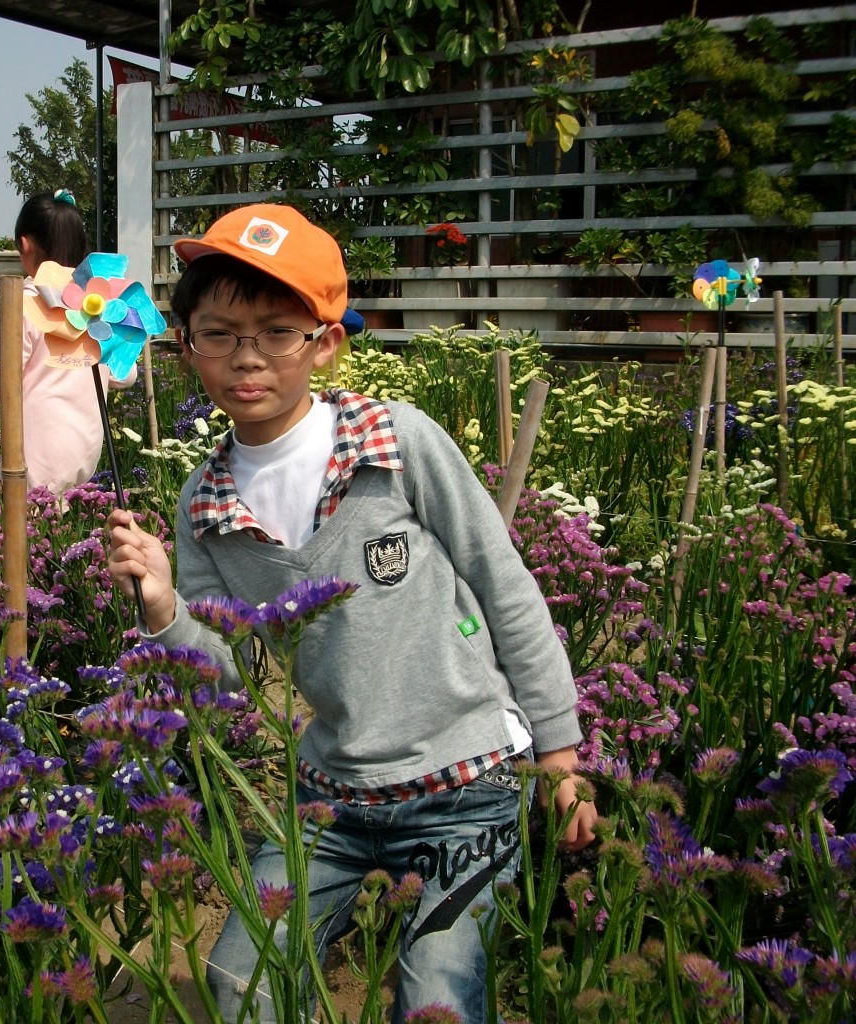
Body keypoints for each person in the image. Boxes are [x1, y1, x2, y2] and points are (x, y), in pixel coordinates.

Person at [104, 203, 598, 1022]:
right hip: (327, 798)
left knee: (436, 996)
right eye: (219, 334)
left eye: (277, 333)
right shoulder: (204, 503)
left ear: (325, 342)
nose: (246, 357)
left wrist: (559, 756)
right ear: (185, 343)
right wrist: (161, 604)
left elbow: (502, 583)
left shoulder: (396, 442)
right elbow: (228, 674)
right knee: (242, 981)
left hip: (467, 784)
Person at [0, 190, 136, 496]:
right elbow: (126, 374)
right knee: (76, 521)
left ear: (24, 244)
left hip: (36, 461)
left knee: (37, 525)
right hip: (84, 452)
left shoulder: (25, 303)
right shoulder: (98, 302)